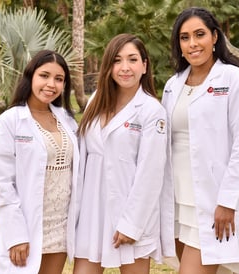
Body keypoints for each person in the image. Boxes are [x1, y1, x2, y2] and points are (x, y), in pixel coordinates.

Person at [162, 7, 239, 274]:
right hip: (176, 198)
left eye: (199, 35)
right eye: (184, 37)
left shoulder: (235, 80)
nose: (192, 43)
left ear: (214, 38)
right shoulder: (173, 84)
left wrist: (227, 201)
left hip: (212, 200)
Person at [73, 33, 175, 274]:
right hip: (92, 212)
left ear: (144, 65)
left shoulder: (152, 111)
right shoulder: (96, 101)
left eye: (132, 60)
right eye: (117, 61)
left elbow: (151, 173)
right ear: (108, 67)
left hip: (131, 215)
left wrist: (132, 225)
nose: (124, 68)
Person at [0, 49, 80, 274]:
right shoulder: (10, 121)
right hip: (26, 224)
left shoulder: (67, 120)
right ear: (31, 77)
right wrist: (16, 234)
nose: (51, 84)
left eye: (59, 79)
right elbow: (1, 182)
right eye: (44, 75)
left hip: (60, 224)